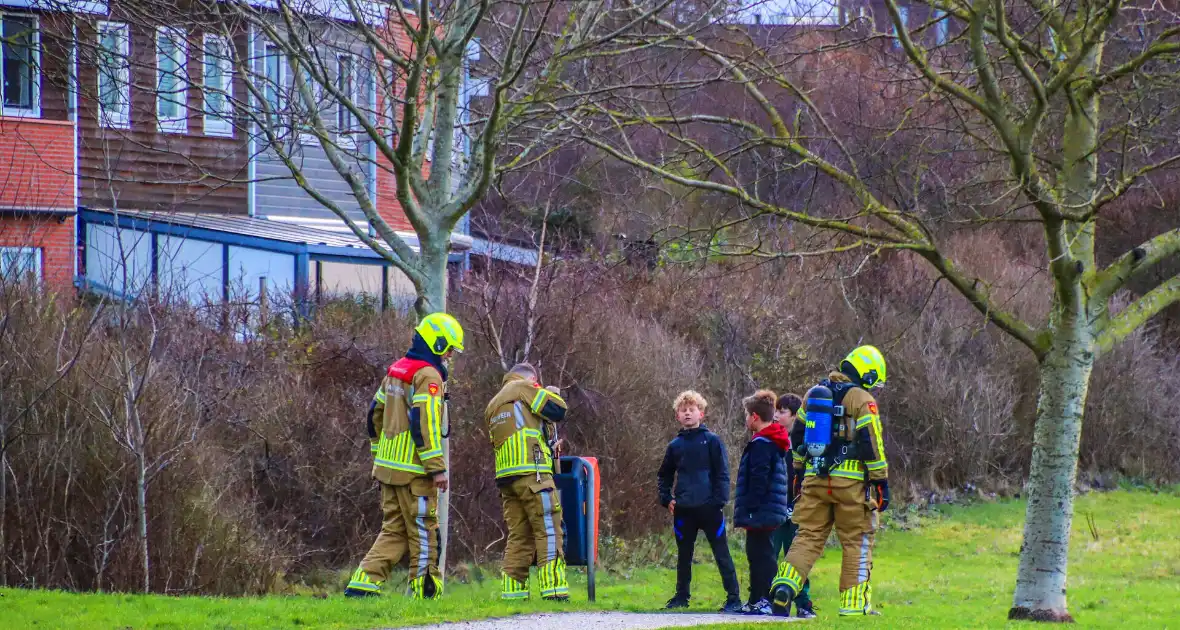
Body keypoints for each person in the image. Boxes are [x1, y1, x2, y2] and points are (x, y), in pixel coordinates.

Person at [345, 312, 464, 599]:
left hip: (388, 470)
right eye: (448, 348)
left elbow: (374, 413)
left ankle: (362, 585)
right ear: (436, 344)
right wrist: (437, 468)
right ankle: (425, 593)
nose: (449, 356)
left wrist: (379, 453)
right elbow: (425, 423)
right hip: (415, 473)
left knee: (394, 530)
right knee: (424, 532)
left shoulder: (396, 370)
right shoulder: (428, 376)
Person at [771, 346, 890, 617]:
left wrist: (799, 474)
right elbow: (872, 442)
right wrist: (881, 481)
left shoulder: (814, 395)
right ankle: (854, 605)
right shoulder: (862, 398)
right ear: (867, 373)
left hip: (815, 480)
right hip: (851, 485)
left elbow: (798, 438)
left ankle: (784, 587)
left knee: (807, 536)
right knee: (856, 541)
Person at [485, 363, 570, 601]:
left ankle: (513, 594)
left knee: (519, 535)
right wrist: (550, 394)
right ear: (532, 379)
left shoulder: (493, 404)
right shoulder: (523, 388)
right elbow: (558, 409)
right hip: (533, 473)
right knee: (549, 529)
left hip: (506, 478)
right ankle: (554, 590)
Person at [657, 390, 743, 613]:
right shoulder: (674, 445)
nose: (687, 413)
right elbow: (664, 475)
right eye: (682, 410)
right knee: (684, 556)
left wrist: (718, 501)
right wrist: (666, 499)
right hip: (684, 509)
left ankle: (734, 598)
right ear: (677, 416)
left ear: (701, 414)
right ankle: (681, 597)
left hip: (710, 509)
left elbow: (723, 473)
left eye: (691, 410)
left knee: (721, 553)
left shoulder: (712, 441)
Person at [733, 390, 791, 616]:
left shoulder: (761, 444)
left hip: (761, 510)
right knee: (758, 553)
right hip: (768, 508)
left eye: (747, 416)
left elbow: (759, 478)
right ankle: (756, 598)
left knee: (761, 556)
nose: (746, 420)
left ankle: (765, 600)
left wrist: (750, 507)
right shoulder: (772, 440)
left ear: (755, 417)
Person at [770, 393, 815, 618]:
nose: (777, 415)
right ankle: (773, 601)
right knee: (771, 554)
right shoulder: (771, 440)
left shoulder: (803, 443)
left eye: (782, 412)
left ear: (795, 416)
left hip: (798, 507)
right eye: (776, 411)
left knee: (797, 556)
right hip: (775, 507)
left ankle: (803, 603)